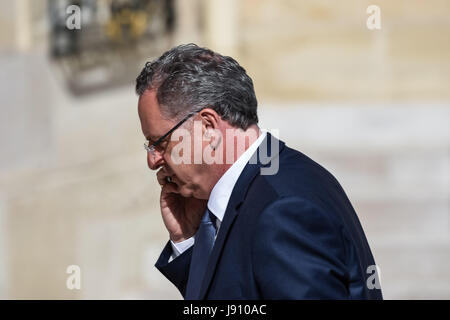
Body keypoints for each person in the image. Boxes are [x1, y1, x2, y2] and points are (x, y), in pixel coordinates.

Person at [135, 43, 383, 299]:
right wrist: (190, 239)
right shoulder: (272, 179)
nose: (152, 160)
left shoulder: (282, 209)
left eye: (159, 143)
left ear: (207, 127)